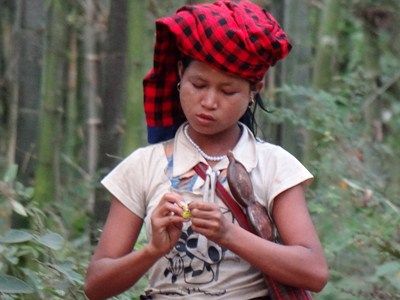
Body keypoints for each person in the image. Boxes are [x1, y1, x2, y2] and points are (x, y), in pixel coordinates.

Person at [84, 0, 328, 299]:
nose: (210, 102)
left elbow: (314, 272)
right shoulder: (144, 166)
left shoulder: (274, 165)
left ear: (255, 90)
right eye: (198, 84)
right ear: (179, 75)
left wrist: (229, 234)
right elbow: (96, 286)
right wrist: (153, 250)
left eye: (228, 91)